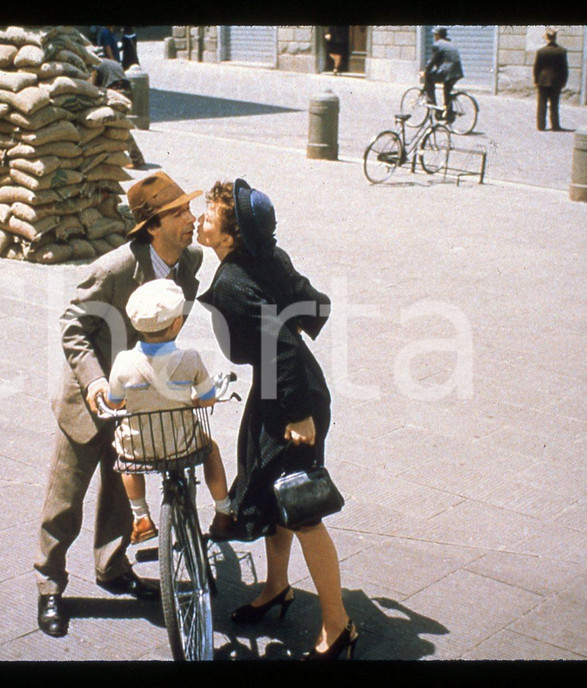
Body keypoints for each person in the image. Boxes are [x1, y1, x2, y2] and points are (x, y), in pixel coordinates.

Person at [34, 172, 205, 638]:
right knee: (65, 498)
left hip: (140, 397)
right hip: (89, 400)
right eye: (179, 213)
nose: (191, 219)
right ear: (152, 227)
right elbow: (73, 327)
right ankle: (49, 584)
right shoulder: (112, 270)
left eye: (189, 210)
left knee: (120, 486)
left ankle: (112, 567)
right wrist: (92, 383)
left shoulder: (191, 260)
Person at [196, 178, 357, 661]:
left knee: (304, 509)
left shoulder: (233, 284)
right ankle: (276, 587)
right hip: (285, 391)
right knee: (273, 491)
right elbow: (316, 302)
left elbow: (281, 348)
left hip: (291, 398)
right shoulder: (270, 256)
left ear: (231, 236)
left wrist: (300, 415)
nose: (201, 219)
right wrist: (299, 316)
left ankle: (338, 625)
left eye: (209, 216)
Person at [107, 279, 233, 544]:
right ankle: (223, 511)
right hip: (182, 442)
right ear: (176, 324)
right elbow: (208, 398)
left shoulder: (123, 362)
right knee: (211, 449)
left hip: (140, 446)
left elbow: (115, 403)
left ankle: (141, 517)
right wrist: (194, 400)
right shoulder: (190, 358)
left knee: (124, 457)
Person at [88, 58, 147, 169]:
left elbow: (93, 85)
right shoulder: (107, 62)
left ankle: (137, 158)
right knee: (117, 125)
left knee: (117, 127)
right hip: (126, 91)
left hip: (115, 93)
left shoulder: (95, 65)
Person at [421, 26, 464, 123]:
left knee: (429, 78)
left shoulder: (438, 44)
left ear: (438, 35)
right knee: (447, 91)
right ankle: (448, 114)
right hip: (457, 72)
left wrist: (425, 71)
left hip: (448, 71)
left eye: (434, 35)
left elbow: (432, 61)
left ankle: (434, 107)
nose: (434, 37)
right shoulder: (451, 43)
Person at [534, 27, 569, 131]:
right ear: (555, 37)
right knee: (554, 104)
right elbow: (564, 68)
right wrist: (564, 81)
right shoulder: (561, 51)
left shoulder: (541, 51)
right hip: (556, 81)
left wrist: (536, 80)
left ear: (547, 38)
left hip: (543, 80)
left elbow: (537, 68)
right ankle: (555, 125)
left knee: (541, 103)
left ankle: (541, 125)